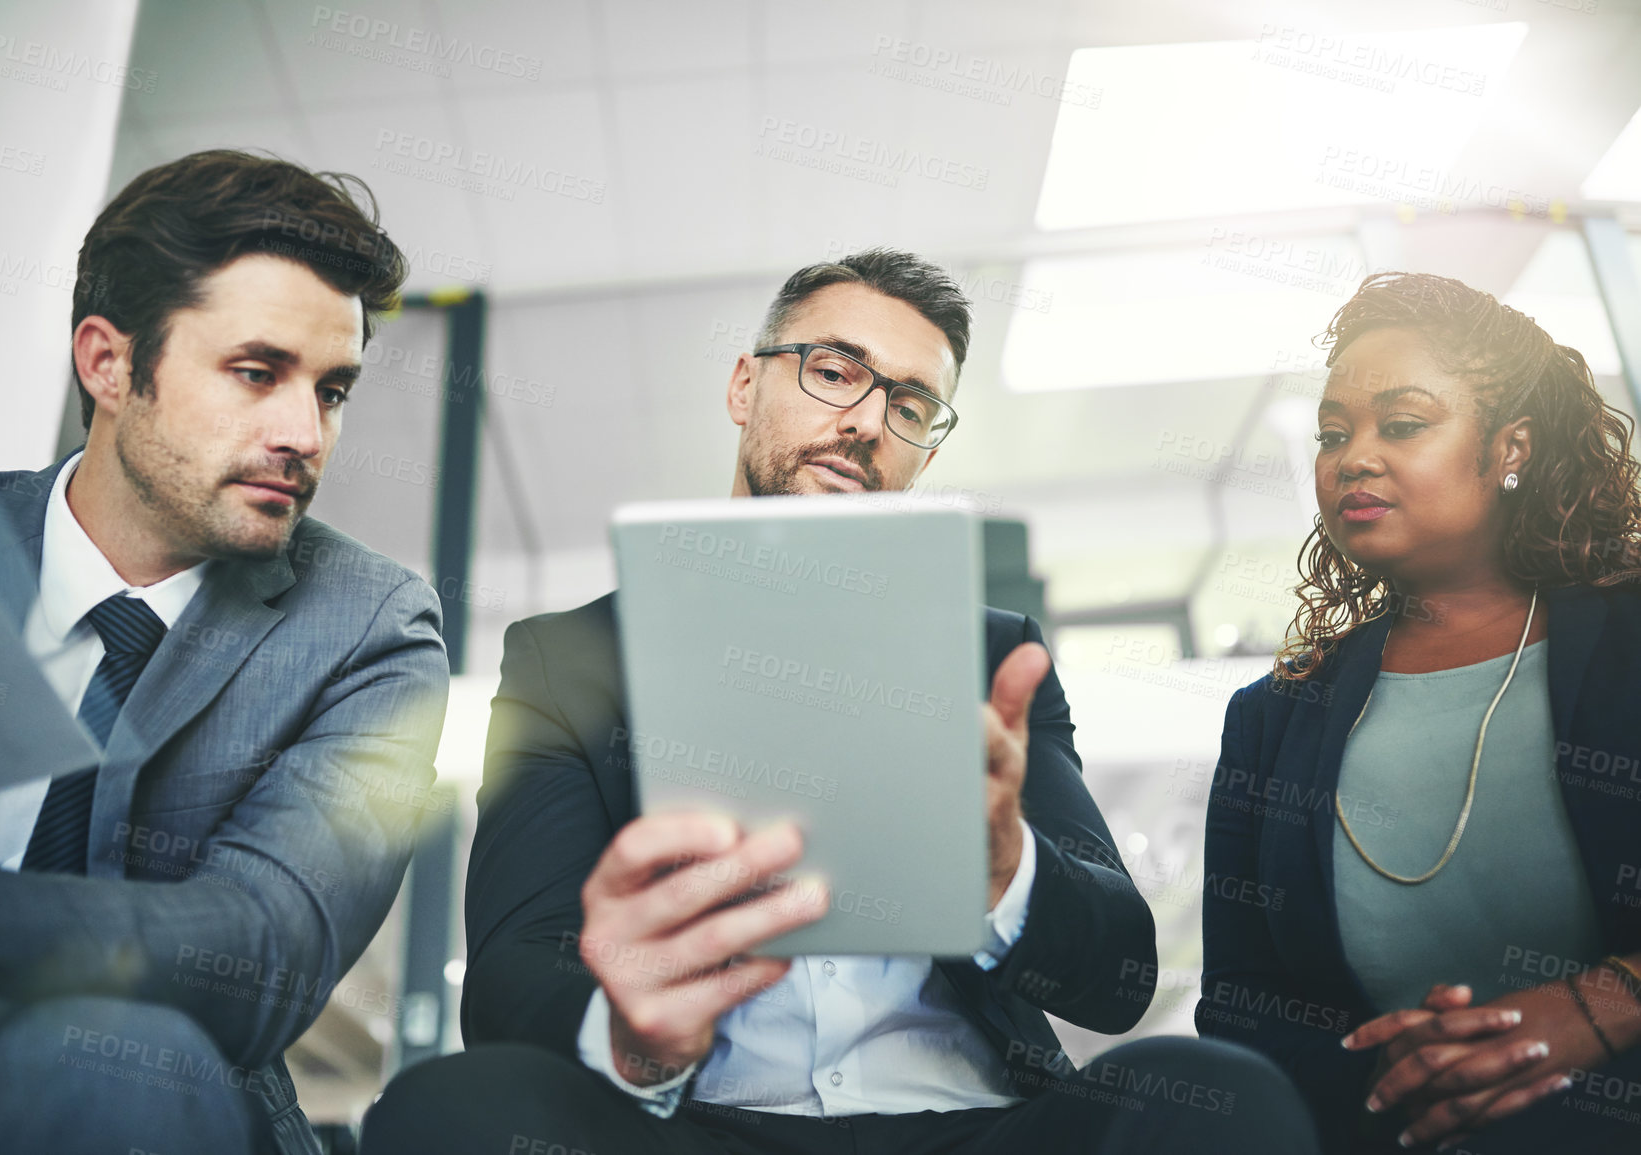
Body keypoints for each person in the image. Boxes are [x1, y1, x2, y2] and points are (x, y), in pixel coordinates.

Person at [364, 249, 1319, 1154]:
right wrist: (635, 1032)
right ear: (745, 386)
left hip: (974, 1123)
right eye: (834, 371)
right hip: (697, 1125)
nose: (867, 420)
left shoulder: (993, 654)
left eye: (911, 405)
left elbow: (1118, 979)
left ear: (925, 455)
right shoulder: (566, 658)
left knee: (1219, 1095)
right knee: (448, 1110)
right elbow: (507, 978)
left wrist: (1005, 873)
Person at [0, 150, 450, 1155]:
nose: (305, 432)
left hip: (132, 1094)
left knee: (96, 1055)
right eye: (257, 373)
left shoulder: (371, 625)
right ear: (109, 363)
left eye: (332, 390)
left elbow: (263, 951)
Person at [1197, 271, 1641, 1154]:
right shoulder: (1274, 716)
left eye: (1401, 424)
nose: (1352, 457)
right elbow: (1239, 1002)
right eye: (1333, 434)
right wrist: (1405, 1072)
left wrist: (1606, 1003)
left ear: (1509, 446)